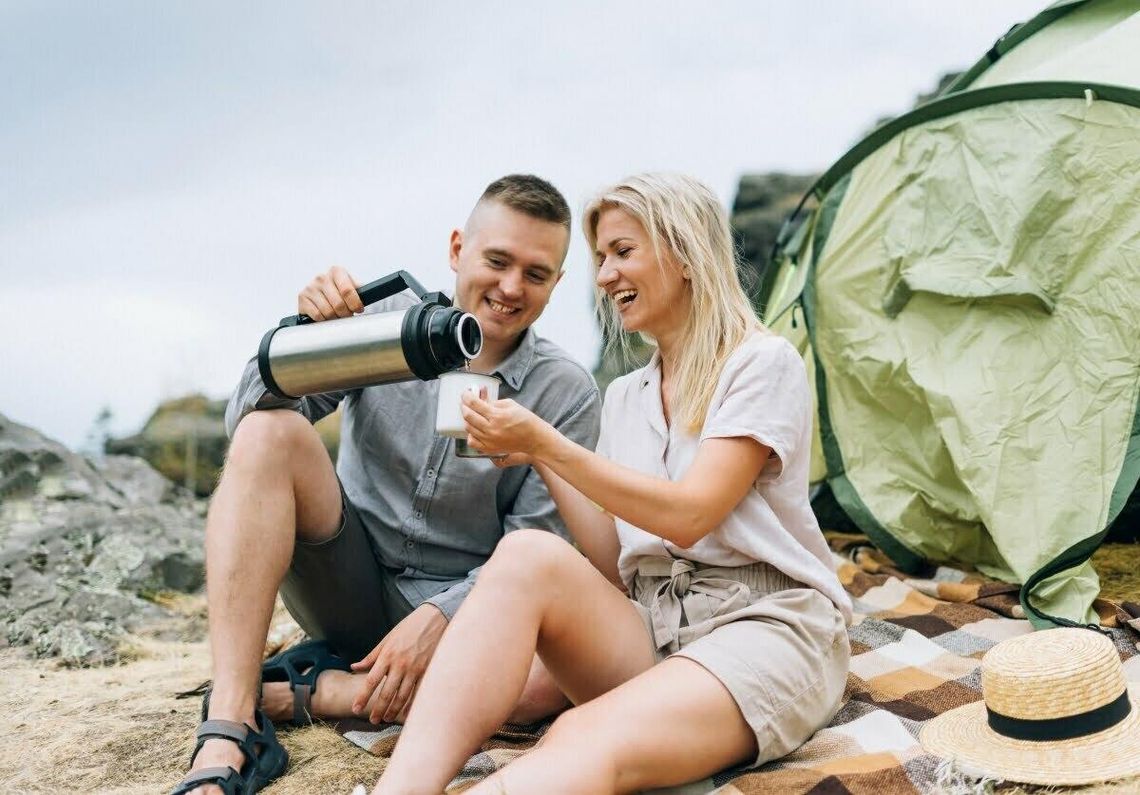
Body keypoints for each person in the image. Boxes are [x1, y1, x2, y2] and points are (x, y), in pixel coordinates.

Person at [371, 173, 853, 794]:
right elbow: (613, 560)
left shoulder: (761, 363)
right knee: (526, 554)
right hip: (656, 626)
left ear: (684, 253)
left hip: (765, 627)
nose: (603, 277)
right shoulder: (626, 396)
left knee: (578, 734)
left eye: (622, 252)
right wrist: (536, 452)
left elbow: (690, 515)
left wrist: (549, 442)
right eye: (600, 258)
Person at [172, 175, 601, 795]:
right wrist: (301, 333)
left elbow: (538, 546)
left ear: (556, 285)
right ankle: (231, 723)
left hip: (461, 621)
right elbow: (246, 426)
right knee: (273, 433)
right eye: (497, 261)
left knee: (549, 684)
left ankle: (315, 690)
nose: (511, 288)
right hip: (341, 575)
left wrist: (437, 616)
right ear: (458, 250)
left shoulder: (566, 391)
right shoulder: (381, 321)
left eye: (536, 274)